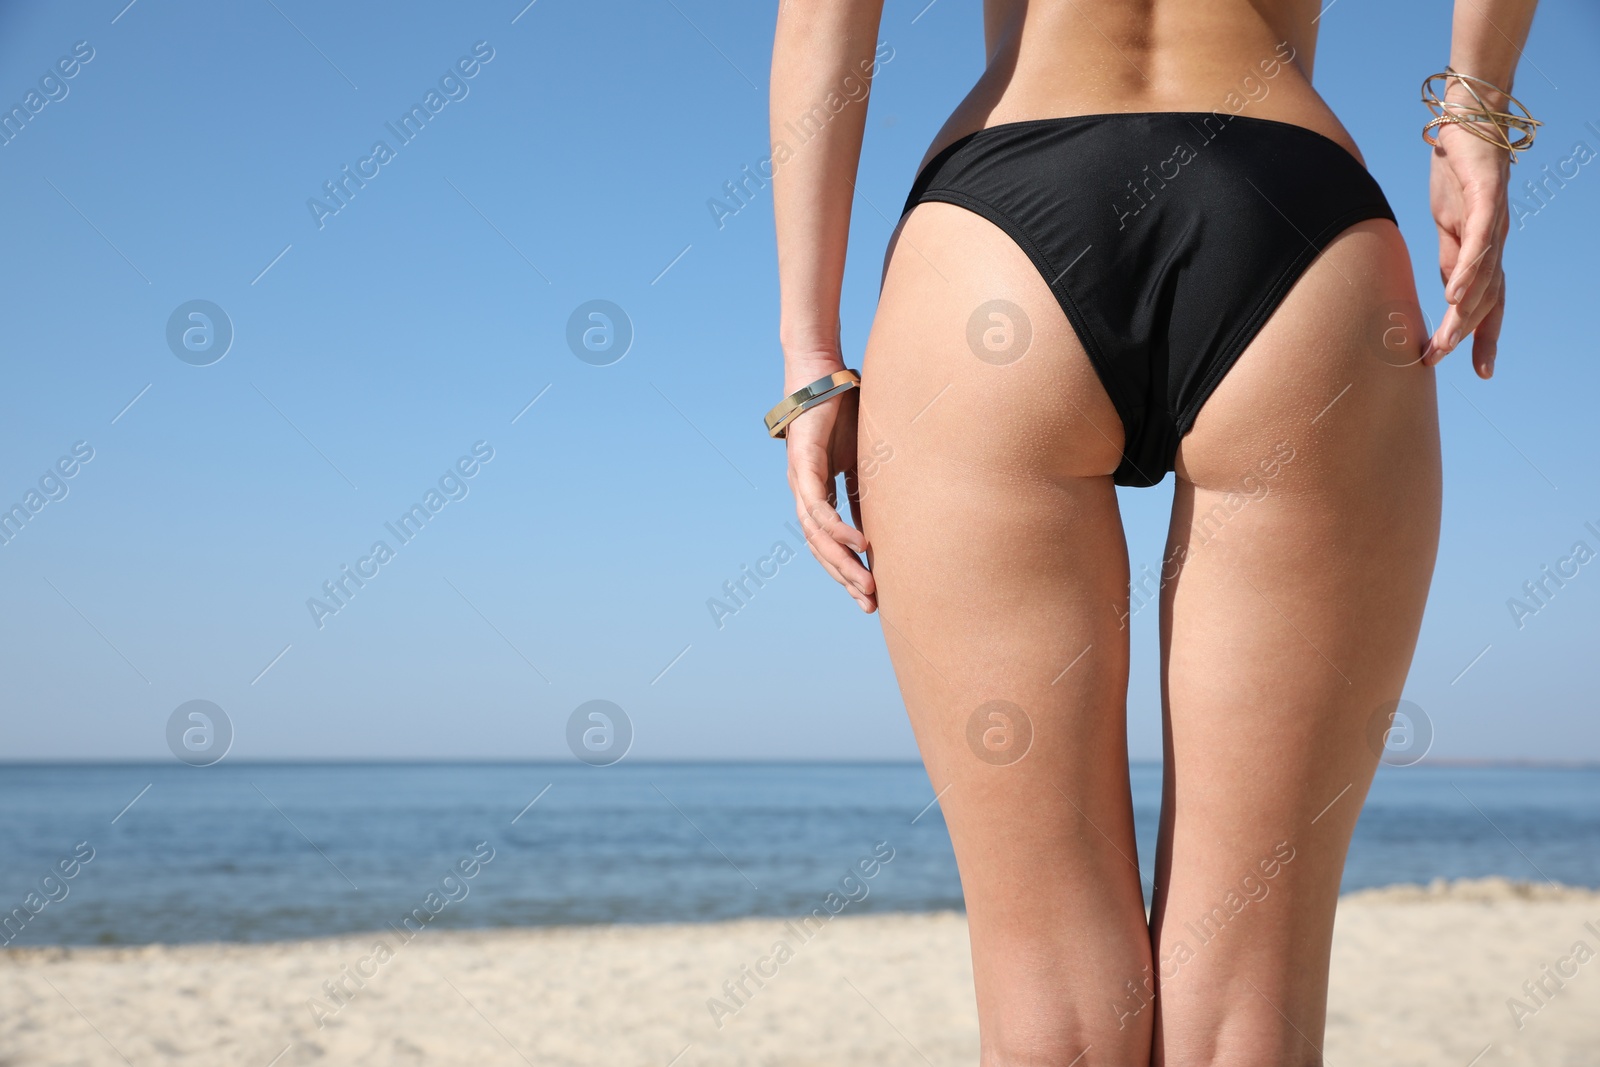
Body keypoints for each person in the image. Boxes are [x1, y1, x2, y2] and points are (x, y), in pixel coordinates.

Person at [765, 0, 1540, 1063]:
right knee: (1244, 1012)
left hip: (996, 224)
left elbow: (823, 17)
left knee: (1051, 1012)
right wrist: (1474, 115)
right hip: (1292, 210)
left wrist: (812, 359)